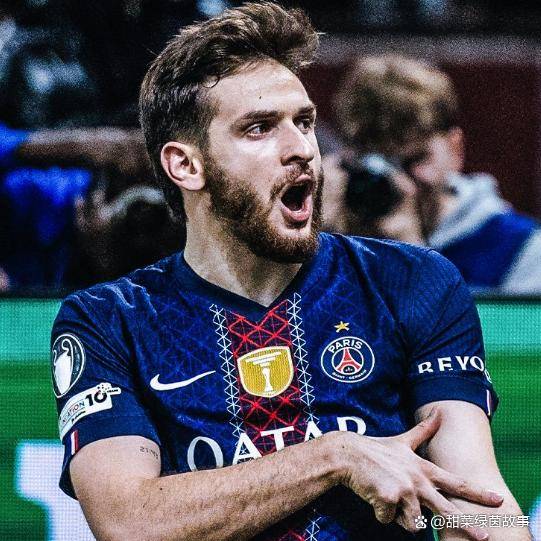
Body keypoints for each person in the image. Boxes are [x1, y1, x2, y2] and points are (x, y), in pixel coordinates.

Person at [51, 4, 530, 541]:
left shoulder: (412, 282)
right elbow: (127, 522)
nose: (301, 149)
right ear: (186, 165)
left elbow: (477, 503)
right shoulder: (108, 320)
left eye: (304, 122)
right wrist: (334, 456)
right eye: (259, 129)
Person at [327, 54, 541, 294]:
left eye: (414, 159)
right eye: (377, 163)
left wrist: (409, 254)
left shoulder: (520, 250)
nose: (396, 181)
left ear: (455, 149)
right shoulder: (334, 237)